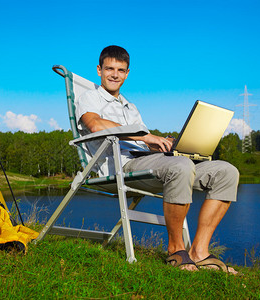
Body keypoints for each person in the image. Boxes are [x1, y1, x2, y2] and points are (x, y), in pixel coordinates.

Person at [75, 45, 239, 273]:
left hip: (147, 160)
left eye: (120, 70)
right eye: (109, 69)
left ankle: (199, 252)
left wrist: (164, 144)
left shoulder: (130, 107)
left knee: (226, 172)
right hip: (120, 166)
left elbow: (144, 141)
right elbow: (95, 124)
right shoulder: (90, 98)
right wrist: (146, 136)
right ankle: (176, 250)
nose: (114, 74)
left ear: (127, 73)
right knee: (180, 166)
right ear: (99, 70)